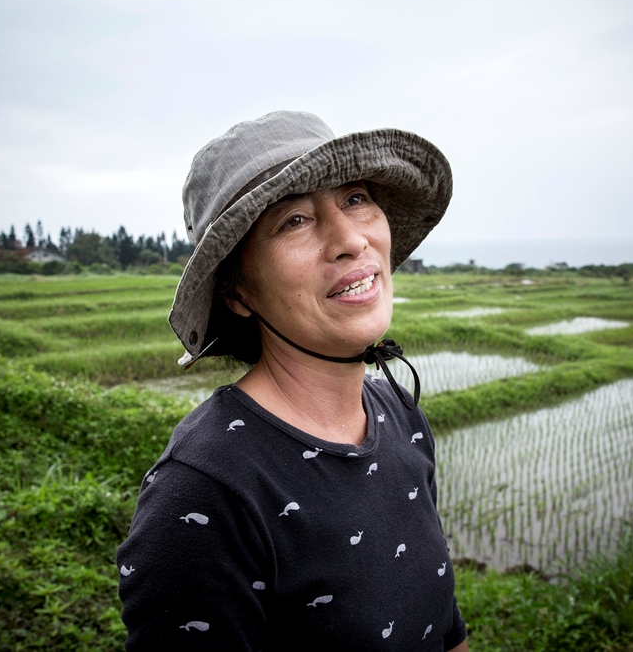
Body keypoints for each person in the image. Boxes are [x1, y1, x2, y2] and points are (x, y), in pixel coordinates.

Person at [117, 111, 468, 651]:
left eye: (355, 198)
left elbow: (444, 629)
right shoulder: (205, 493)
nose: (350, 239)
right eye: (295, 221)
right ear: (238, 293)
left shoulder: (401, 413)